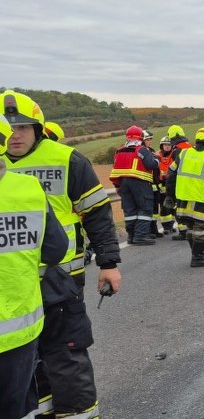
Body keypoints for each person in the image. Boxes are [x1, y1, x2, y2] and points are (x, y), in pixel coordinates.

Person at [1, 90, 122, 419]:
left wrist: (109, 264)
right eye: (8, 127)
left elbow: (97, 214)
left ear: (38, 128)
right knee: (27, 369)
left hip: (60, 284)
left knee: (65, 359)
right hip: (12, 291)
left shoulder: (67, 160)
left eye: (23, 127)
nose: (15, 134)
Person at [0, 115, 69, 419]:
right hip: (18, 331)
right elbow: (55, 250)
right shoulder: (28, 189)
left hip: (19, 330)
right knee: (19, 406)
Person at [165, 127, 204, 267]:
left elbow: (170, 175)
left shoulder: (184, 154)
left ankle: (196, 255)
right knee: (200, 229)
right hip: (202, 200)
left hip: (183, 200)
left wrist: (169, 195)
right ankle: (198, 257)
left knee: (190, 228)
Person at [109, 126, 158, 245]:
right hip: (140, 183)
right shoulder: (142, 150)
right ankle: (140, 236)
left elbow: (115, 168)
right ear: (141, 137)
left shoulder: (119, 151)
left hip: (123, 184)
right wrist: (157, 159)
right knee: (145, 208)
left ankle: (131, 236)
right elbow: (151, 165)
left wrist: (117, 186)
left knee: (130, 210)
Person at [166, 125, 192, 241]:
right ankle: (193, 230)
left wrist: (169, 192)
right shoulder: (192, 147)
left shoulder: (177, 150)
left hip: (181, 184)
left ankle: (183, 232)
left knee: (180, 209)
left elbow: (173, 172)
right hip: (194, 184)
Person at [156, 136, 176, 235]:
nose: (167, 147)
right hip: (162, 186)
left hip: (172, 186)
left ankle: (171, 225)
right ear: (161, 145)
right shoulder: (157, 156)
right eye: (165, 145)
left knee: (172, 207)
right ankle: (166, 227)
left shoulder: (174, 155)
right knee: (164, 207)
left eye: (169, 145)